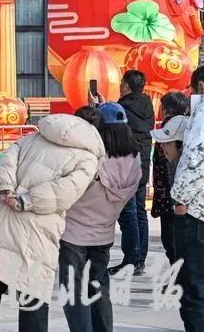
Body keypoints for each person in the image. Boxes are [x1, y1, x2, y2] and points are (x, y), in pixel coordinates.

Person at [0, 110, 105, 332]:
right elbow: (66, 191)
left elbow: (7, 159)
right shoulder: (88, 158)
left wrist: (6, 189)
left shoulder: (35, 136)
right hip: (39, 227)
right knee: (33, 293)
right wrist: (27, 200)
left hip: (3, 218)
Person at [59, 103, 141, 332]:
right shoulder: (134, 160)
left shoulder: (91, 159)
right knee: (99, 288)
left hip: (73, 234)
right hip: (104, 233)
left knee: (74, 291)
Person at [94, 70, 154, 276]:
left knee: (128, 215)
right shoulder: (147, 105)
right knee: (139, 213)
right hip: (142, 163)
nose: (120, 86)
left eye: (121, 83)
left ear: (127, 86)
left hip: (125, 164)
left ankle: (132, 260)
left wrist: (100, 108)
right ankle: (139, 259)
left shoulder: (124, 107)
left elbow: (113, 124)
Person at [171, 65, 204, 331]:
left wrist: (180, 199)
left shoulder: (202, 115)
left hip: (198, 212)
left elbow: (194, 158)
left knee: (194, 288)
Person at [152, 92, 189, 265]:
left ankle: (179, 273)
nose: (163, 147)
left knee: (171, 239)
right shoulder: (189, 126)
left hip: (168, 194)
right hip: (171, 194)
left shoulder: (171, 129)